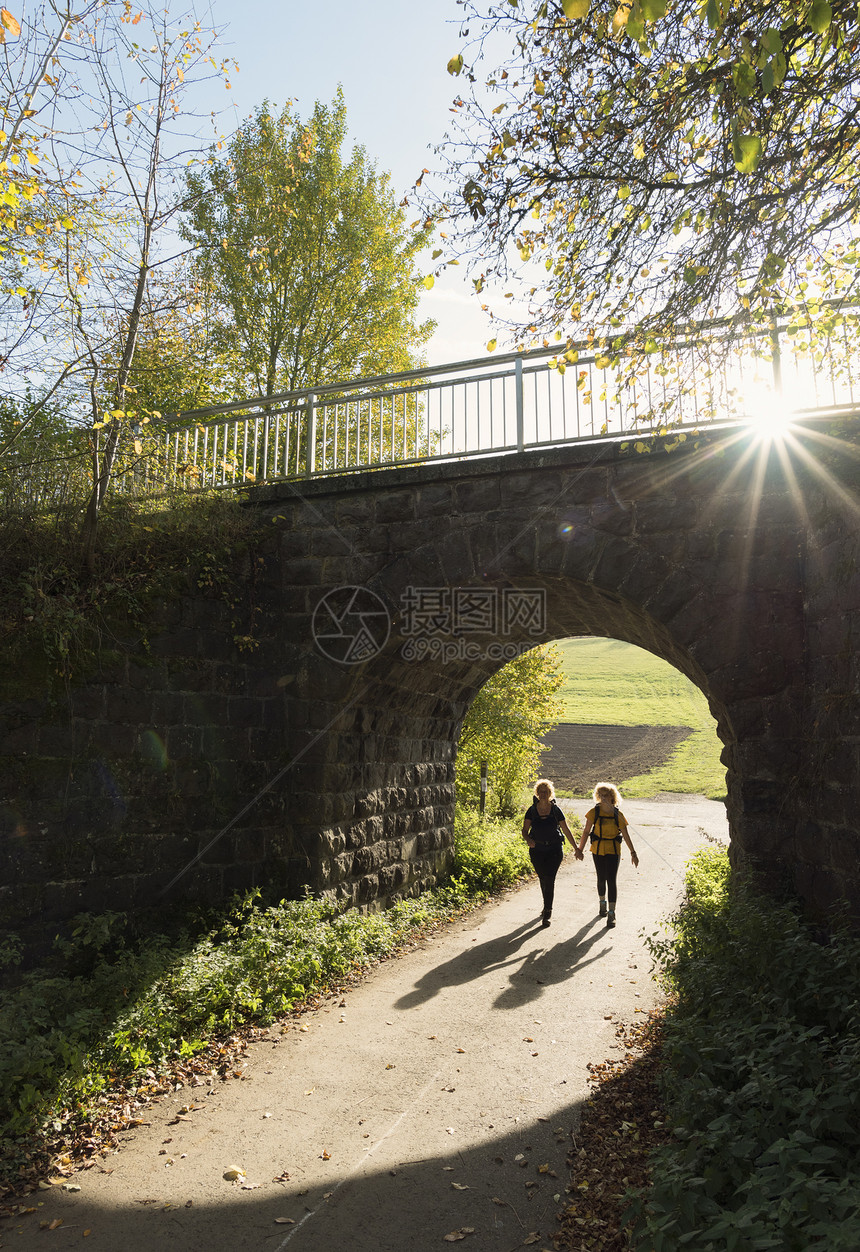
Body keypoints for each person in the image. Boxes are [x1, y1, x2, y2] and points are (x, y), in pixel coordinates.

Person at [575, 782, 639, 929]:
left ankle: (611, 913)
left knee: (611, 880)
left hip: (613, 850)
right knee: (601, 878)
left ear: (612, 797)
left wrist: (633, 853)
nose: (603, 798)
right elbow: (586, 831)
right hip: (597, 849)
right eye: (601, 795)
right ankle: (602, 903)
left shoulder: (618, 815)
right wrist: (580, 849)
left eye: (606, 795)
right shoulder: (594, 812)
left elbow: (626, 834)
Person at [522, 778, 577, 927]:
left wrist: (576, 848)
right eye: (541, 792)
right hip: (537, 850)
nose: (543, 794)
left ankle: (548, 911)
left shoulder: (555, 810)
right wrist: (528, 840)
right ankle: (546, 905)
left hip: (554, 849)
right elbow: (524, 831)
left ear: (550, 793)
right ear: (537, 793)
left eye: (546, 792)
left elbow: (565, 829)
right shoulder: (532, 810)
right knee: (542, 878)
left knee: (549, 879)